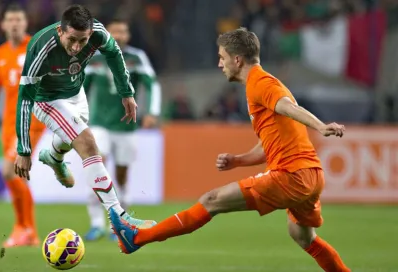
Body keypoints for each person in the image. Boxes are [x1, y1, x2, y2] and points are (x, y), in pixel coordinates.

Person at [110, 28, 351, 272]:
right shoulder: (260, 84)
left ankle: (137, 238)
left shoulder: (260, 82)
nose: (219, 64)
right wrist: (239, 160)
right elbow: (271, 142)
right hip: (311, 174)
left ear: (237, 60)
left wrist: (321, 126)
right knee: (303, 238)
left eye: (222, 57)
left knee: (211, 200)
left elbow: (287, 107)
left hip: (292, 175)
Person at [13, 4, 156, 230]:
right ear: (61, 31)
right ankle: (120, 219)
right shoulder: (40, 48)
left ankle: (53, 156)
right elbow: (24, 98)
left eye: (83, 40)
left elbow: (115, 55)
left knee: (71, 137)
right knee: (88, 143)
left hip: (76, 94)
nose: (77, 47)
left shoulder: (98, 33)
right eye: (72, 40)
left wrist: (126, 93)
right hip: (47, 100)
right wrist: (23, 149)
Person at [0, 3, 45, 248]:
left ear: (26, 24)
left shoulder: (35, 48)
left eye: (19, 20)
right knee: (19, 178)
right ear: (3, 24)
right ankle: (30, 233)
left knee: (9, 171)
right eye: (10, 20)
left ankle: (22, 228)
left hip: (32, 121)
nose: (15, 24)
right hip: (8, 125)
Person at [83, 18, 161, 241]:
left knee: (122, 175)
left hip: (126, 126)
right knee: (98, 168)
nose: (119, 35)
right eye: (115, 31)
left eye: (123, 31)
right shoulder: (93, 56)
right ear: (107, 33)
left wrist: (152, 112)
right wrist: (75, 113)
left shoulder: (137, 57)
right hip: (98, 122)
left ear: (128, 35)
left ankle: (119, 223)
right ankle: (96, 222)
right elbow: (81, 87)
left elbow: (152, 84)